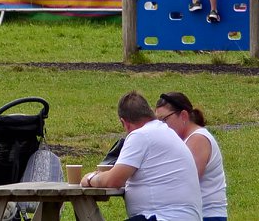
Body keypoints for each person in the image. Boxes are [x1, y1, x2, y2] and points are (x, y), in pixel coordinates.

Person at [81, 90, 200, 221]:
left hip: (163, 217)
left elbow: (113, 181)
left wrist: (90, 178)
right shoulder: (165, 131)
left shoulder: (141, 135)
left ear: (124, 123)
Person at [153, 92, 226, 221]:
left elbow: (185, 180)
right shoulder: (182, 140)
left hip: (207, 215)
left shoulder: (198, 139)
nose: (161, 126)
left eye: (164, 120)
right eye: (157, 122)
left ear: (183, 115)